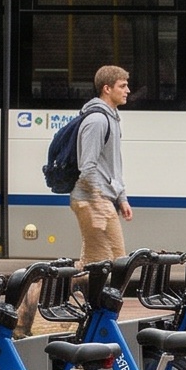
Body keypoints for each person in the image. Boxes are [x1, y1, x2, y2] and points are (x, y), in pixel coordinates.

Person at [70, 65, 131, 265]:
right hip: (93, 199)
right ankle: (39, 289)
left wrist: (121, 198)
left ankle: (41, 290)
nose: (127, 91)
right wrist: (96, 205)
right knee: (107, 264)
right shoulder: (97, 120)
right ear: (107, 89)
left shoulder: (111, 118)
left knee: (98, 263)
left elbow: (113, 164)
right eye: (122, 86)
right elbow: (87, 166)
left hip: (100, 197)